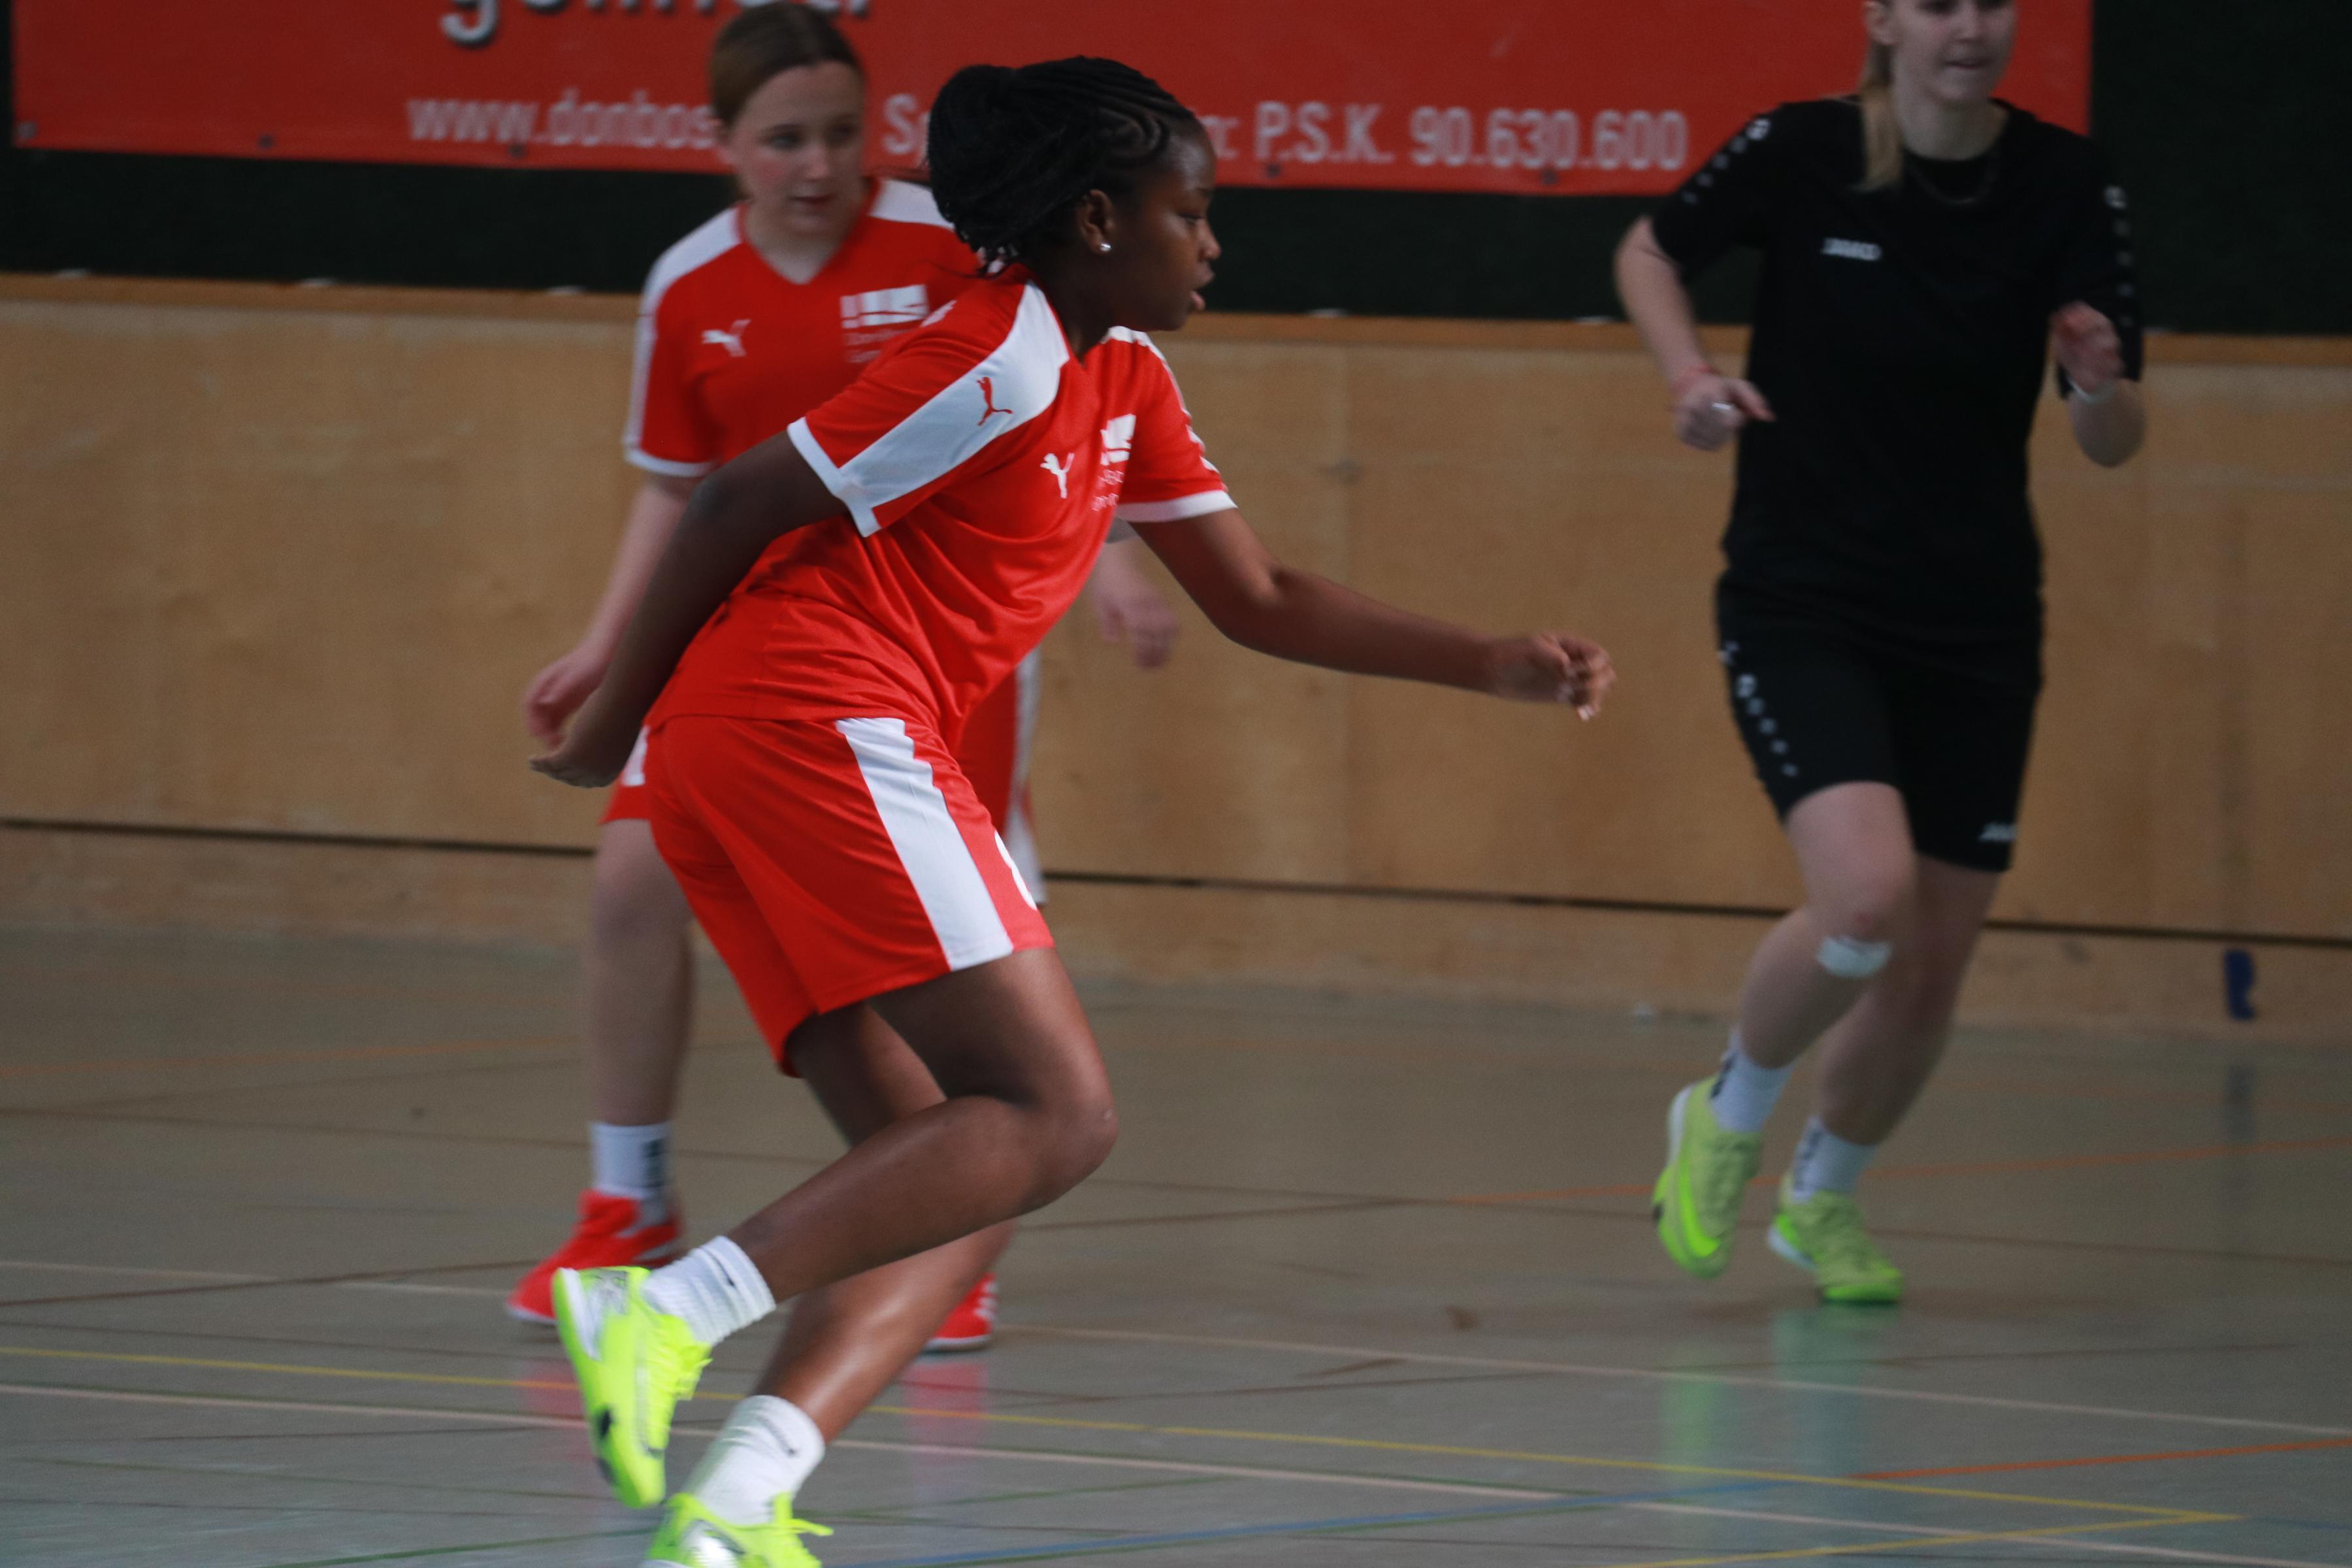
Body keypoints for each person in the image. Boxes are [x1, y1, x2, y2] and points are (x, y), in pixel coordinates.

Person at [531, 56, 1614, 1568]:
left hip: (765, 743)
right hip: (809, 723)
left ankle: (737, 1503)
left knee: (956, 1174)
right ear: (1099, 220)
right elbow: (730, 500)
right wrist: (609, 731)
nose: (1215, 243)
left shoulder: (1122, 375)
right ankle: (665, 1308)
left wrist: (1485, 662)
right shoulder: (997, 356)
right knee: (1062, 1113)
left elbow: (1259, 595)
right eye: (1193, 212)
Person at [506, 5, 1179, 1351]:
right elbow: (683, 490)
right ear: (722, 144)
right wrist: (607, 645)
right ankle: (628, 1205)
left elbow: (1058, 391)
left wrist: (1112, 556)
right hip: (743, 648)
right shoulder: (689, 283)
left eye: (839, 135)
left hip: (913, 652)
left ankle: (945, 1223)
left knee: (957, 974)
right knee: (632, 880)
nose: (815, 165)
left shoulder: (950, 247)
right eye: (782, 141)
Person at [1618, 0, 2145, 1304]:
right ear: (1886, 21)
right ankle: (1727, 1112)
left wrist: (2095, 382)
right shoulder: (1804, 151)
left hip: (1978, 621)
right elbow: (1649, 251)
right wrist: (1688, 377)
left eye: (1990, 3)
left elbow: (2114, 438)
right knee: (1865, 902)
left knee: (1928, 969)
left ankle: (1823, 1202)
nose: (1969, 28)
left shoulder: (2066, 181)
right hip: (1804, 598)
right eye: (1938, 3)